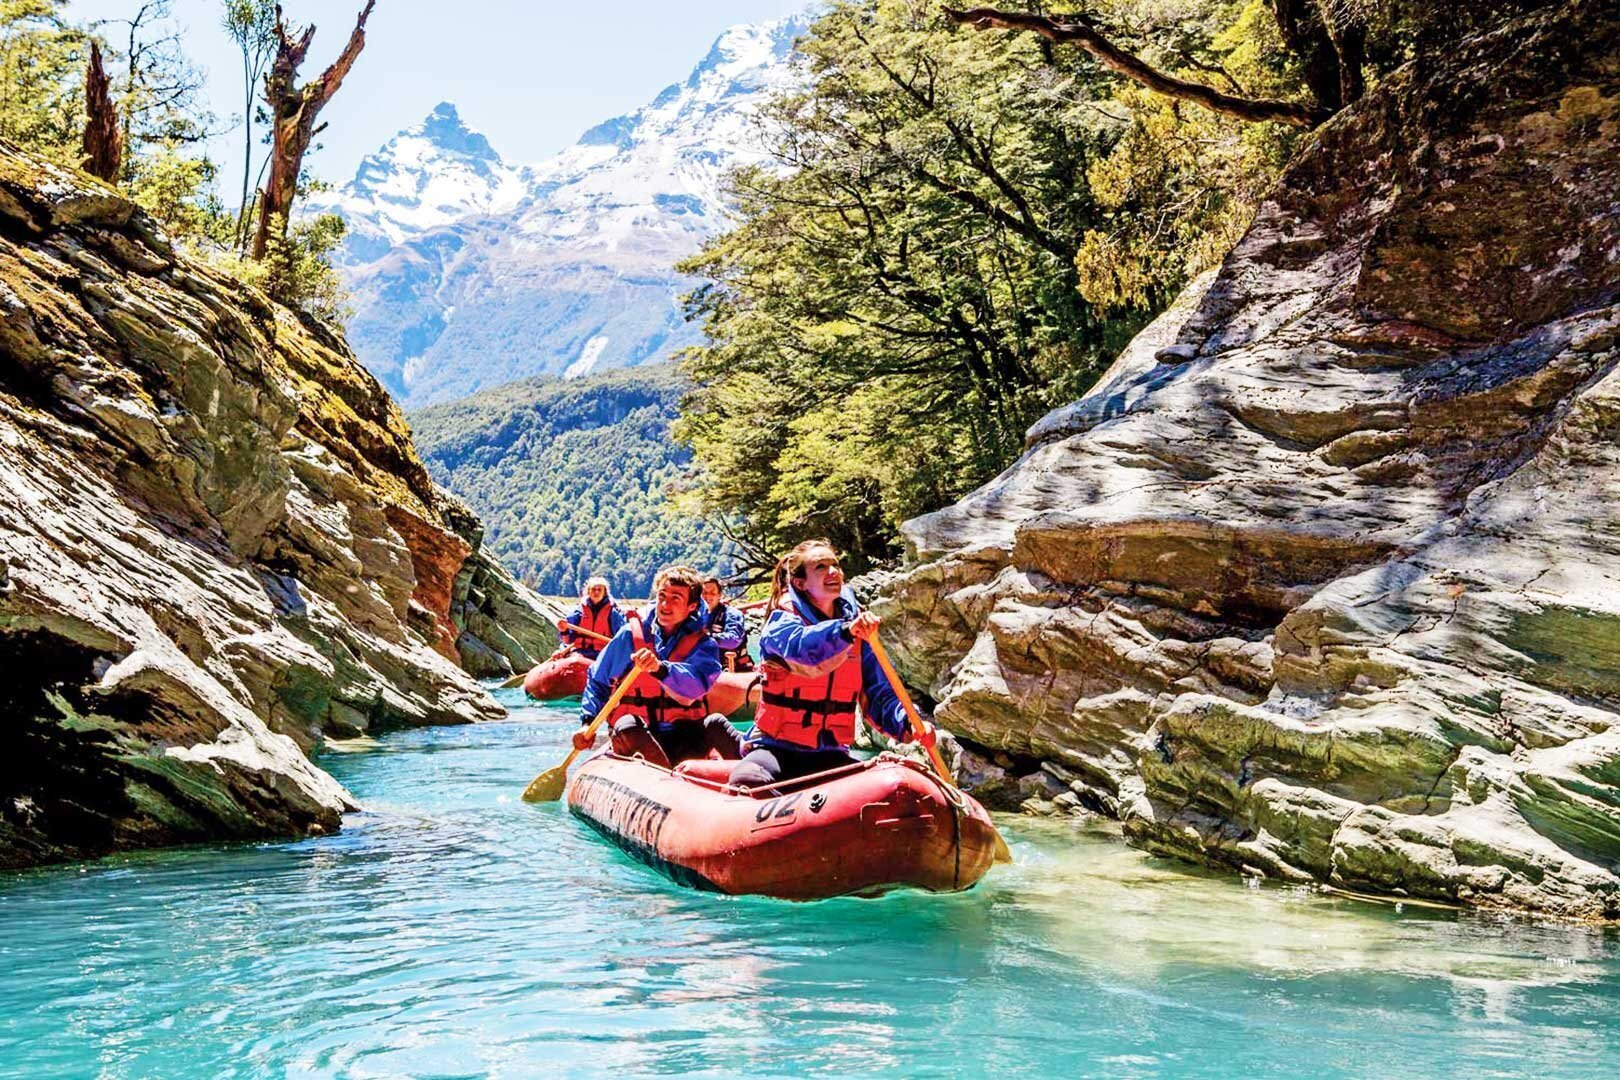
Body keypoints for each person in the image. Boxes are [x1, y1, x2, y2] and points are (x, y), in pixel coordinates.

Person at [728, 539, 936, 787]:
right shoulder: (781, 624)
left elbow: (880, 694)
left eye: (835, 565)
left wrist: (908, 722)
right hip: (777, 748)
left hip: (830, 753)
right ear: (800, 583)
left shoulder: (858, 631)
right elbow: (804, 652)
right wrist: (845, 631)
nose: (833, 572)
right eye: (820, 567)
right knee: (747, 780)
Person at [574, 564, 746, 767]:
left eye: (676, 599)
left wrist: (660, 669)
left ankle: (753, 775)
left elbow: (696, 687)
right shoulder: (630, 636)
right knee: (626, 724)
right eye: (662, 596)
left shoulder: (703, 644)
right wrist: (587, 721)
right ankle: (664, 774)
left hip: (683, 736)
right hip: (639, 734)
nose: (665, 604)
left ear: (691, 606)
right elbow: (597, 680)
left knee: (714, 722)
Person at [556, 576, 623, 660]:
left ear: (604, 593)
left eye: (599, 590)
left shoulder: (613, 612)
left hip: (603, 652)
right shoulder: (580, 610)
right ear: (588, 591)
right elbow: (568, 639)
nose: (596, 592)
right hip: (581, 650)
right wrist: (563, 630)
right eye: (593, 589)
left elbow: (621, 636)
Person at [700, 576, 754, 672]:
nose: (708, 596)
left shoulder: (732, 614)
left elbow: (733, 640)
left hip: (735, 669)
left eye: (712, 593)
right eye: (704, 593)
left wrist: (707, 637)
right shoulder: (699, 616)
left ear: (720, 595)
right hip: (710, 669)